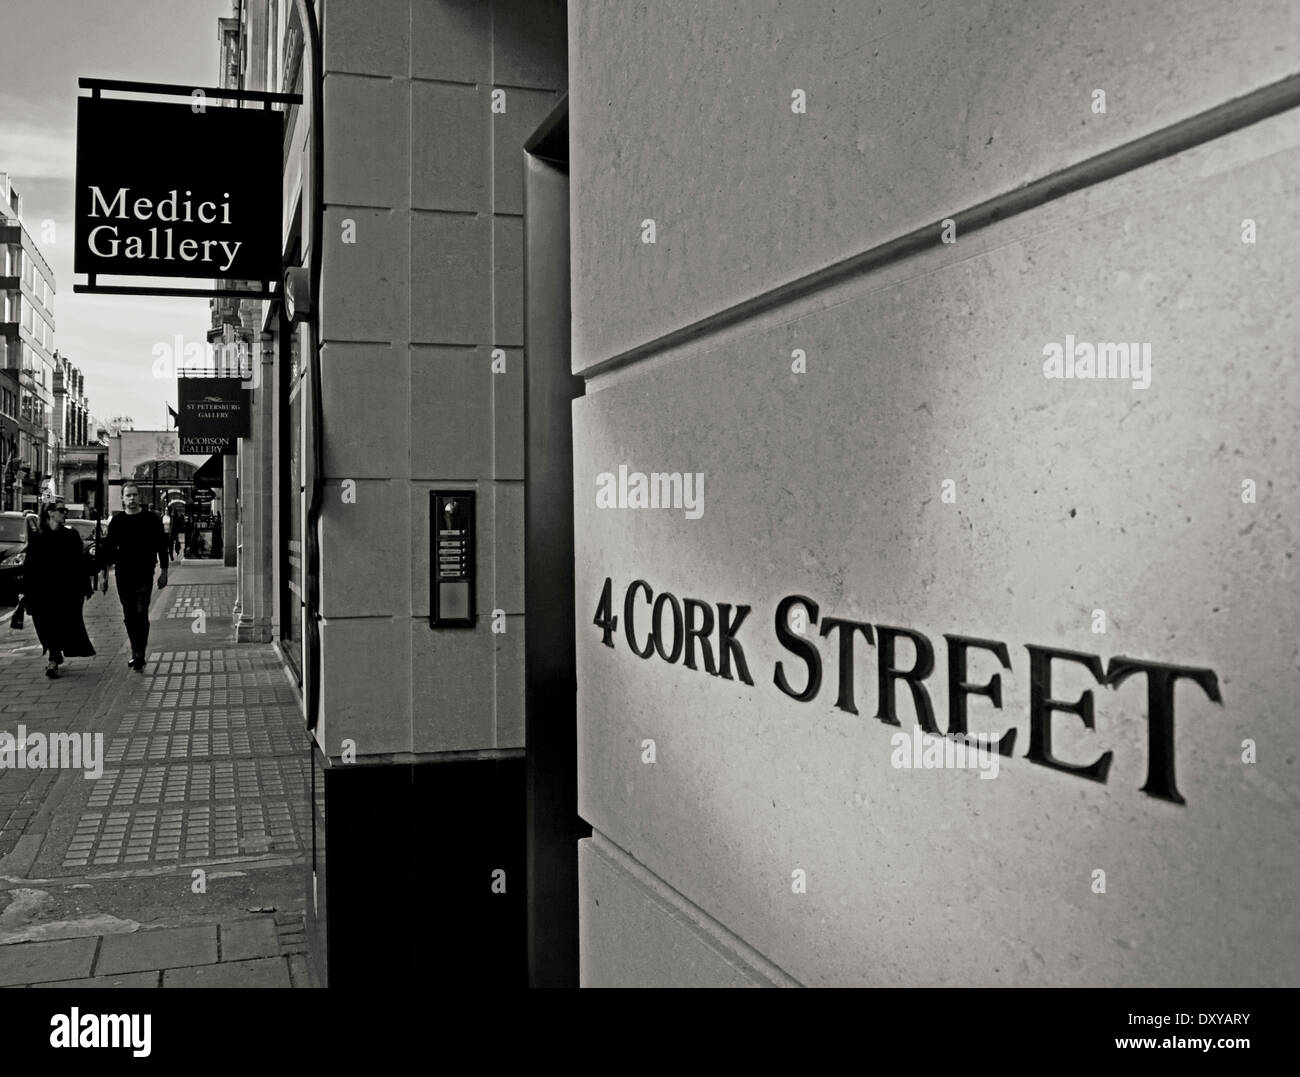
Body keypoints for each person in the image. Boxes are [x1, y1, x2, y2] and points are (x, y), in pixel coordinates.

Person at [20, 499, 97, 678]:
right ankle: (54, 654)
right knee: (44, 624)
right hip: (43, 591)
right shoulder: (38, 538)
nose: (65, 513)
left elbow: (80, 564)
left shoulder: (71, 536)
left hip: (67, 591)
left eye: (65, 510)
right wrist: (24, 591)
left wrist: (86, 587)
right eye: (62, 510)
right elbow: (29, 567)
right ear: (50, 513)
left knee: (62, 623)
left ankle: (54, 658)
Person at [100, 481, 168, 671]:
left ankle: (139, 651)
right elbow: (109, 550)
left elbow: (161, 546)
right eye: (128, 495)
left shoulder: (151, 519)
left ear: (140, 497)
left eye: (135, 495)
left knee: (141, 611)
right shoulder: (118, 522)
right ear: (122, 498)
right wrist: (103, 575)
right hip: (124, 574)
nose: (132, 498)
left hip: (145, 572)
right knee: (129, 614)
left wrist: (164, 571)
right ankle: (135, 650)